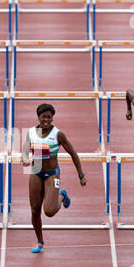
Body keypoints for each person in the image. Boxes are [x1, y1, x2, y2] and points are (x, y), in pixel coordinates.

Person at [22, 103, 87, 253]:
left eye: (49, 117)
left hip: (52, 174)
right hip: (36, 173)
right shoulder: (31, 132)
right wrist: (25, 158)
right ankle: (40, 241)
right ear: (38, 117)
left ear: (52, 118)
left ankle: (62, 196)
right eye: (43, 117)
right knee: (34, 210)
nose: (46, 120)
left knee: (49, 212)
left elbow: (73, 153)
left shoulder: (58, 134)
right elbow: (26, 150)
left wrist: (81, 175)